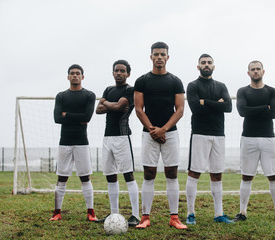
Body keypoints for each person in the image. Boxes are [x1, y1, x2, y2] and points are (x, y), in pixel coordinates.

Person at [134, 42, 187, 229]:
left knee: (171, 173)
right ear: (151, 57)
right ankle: (145, 217)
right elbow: (139, 109)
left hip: (170, 133)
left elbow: (180, 110)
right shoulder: (142, 81)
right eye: (156, 54)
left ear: (167, 57)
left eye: (162, 54)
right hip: (148, 133)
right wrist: (152, 130)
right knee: (149, 174)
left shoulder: (175, 81)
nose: (159, 57)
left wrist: (163, 129)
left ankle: (174, 218)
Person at [233, 60, 275, 222]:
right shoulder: (243, 91)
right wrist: (263, 108)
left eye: (258, 69)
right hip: (248, 138)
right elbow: (242, 111)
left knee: (273, 176)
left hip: (268, 138)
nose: (256, 72)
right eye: (253, 69)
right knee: (246, 176)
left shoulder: (271, 91)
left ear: (263, 72)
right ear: (248, 73)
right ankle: (242, 213)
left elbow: (274, 114)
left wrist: (257, 110)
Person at [185, 54, 234, 225]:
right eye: (203, 63)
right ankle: (190, 213)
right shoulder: (192, 86)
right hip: (199, 133)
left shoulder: (221, 86)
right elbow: (196, 109)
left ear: (214, 66)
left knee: (217, 174)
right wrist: (216, 103)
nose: (206, 65)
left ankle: (218, 214)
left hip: (219, 134)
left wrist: (205, 102)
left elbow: (228, 107)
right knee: (195, 173)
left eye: (209, 62)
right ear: (198, 66)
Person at [50, 64, 98, 222]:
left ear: (82, 77)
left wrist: (67, 114)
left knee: (85, 177)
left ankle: (90, 212)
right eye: (72, 73)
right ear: (68, 76)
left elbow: (87, 117)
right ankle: (57, 212)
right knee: (62, 177)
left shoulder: (89, 95)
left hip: (81, 142)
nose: (75, 76)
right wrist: (78, 117)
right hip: (64, 142)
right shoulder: (61, 96)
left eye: (78, 73)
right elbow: (57, 118)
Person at [95, 60, 140, 227]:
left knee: (128, 175)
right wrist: (109, 104)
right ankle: (113, 213)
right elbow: (98, 110)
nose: (119, 73)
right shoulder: (109, 89)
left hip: (122, 137)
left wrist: (105, 103)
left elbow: (119, 106)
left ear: (128, 73)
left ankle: (135, 215)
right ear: (113, 73)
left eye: (122, 71)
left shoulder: (130, 90)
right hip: (107, 138)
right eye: (116, 70)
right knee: (110, 176)